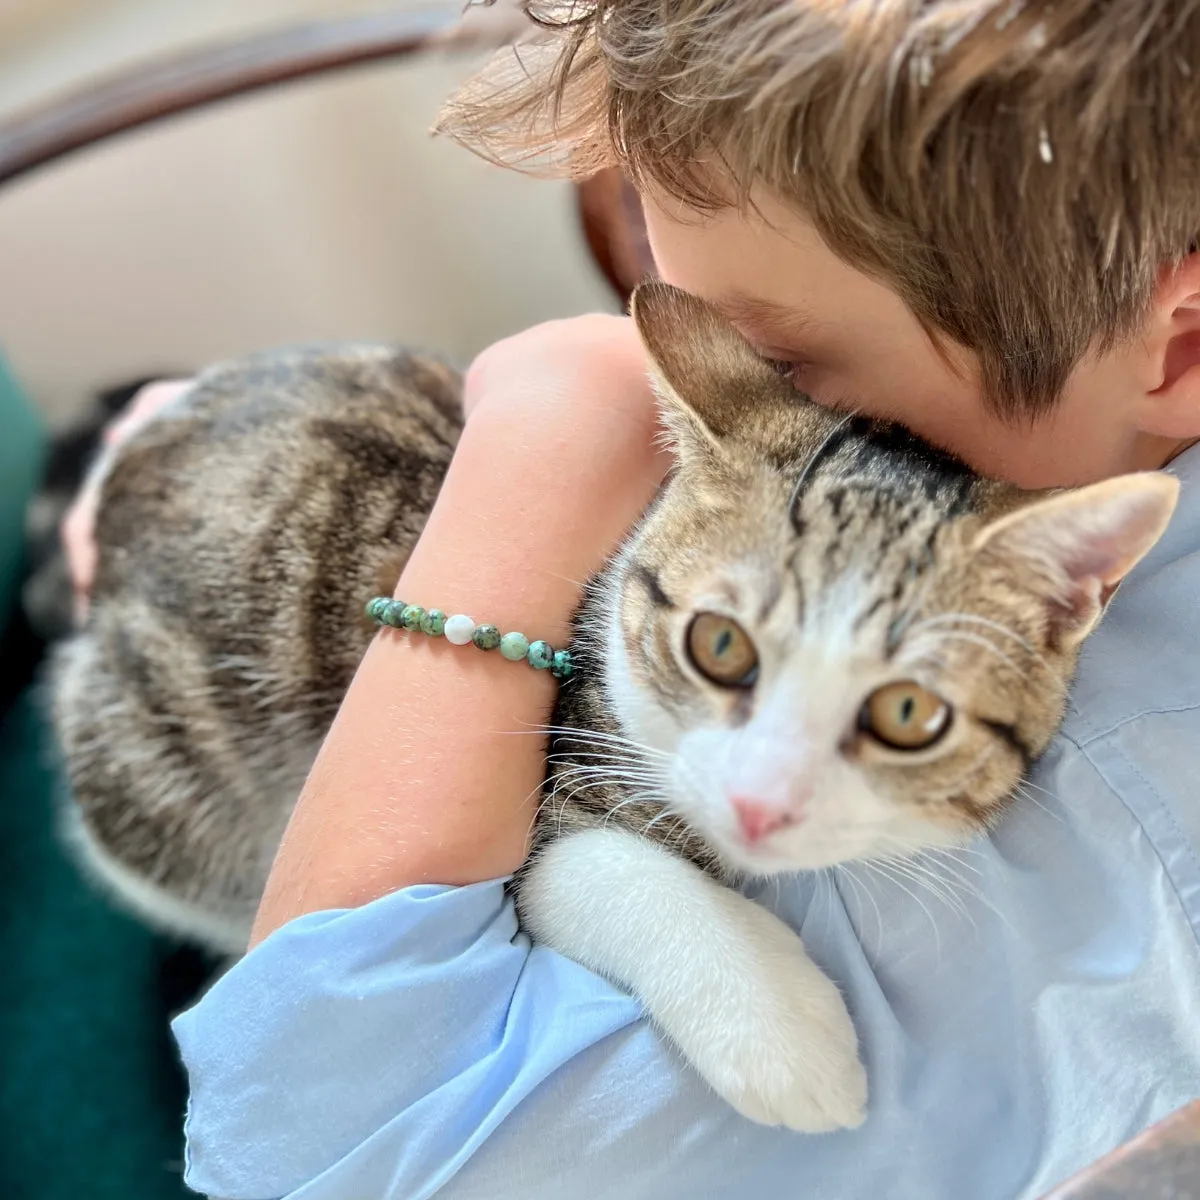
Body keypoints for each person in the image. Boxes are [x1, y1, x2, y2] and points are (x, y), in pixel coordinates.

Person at [64, 2, 1200, 1197]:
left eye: (779, 364)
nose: (630, 341)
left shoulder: (1094, 814)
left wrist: (535, 441)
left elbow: (307, 1152)